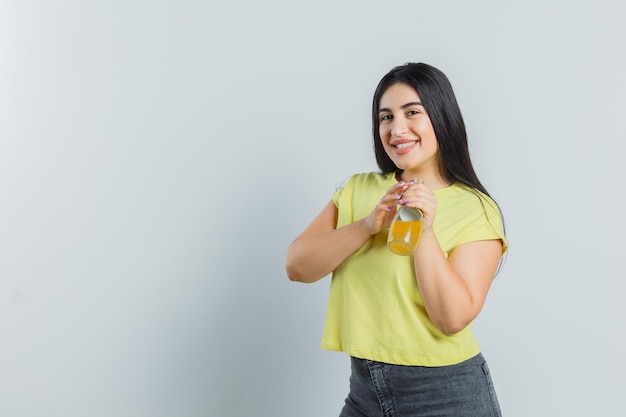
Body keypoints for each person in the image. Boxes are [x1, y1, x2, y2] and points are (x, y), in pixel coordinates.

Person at [285, 62, 507, 417]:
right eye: (386, 117)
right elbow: (297, 266)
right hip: (363, 393)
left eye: (412, 112)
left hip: (445, 395)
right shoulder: (359, 189)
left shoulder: (475, 208)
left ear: (441, 117)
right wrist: (366, 226)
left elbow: (451, 319)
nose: (397, 128)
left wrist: (426, 231)